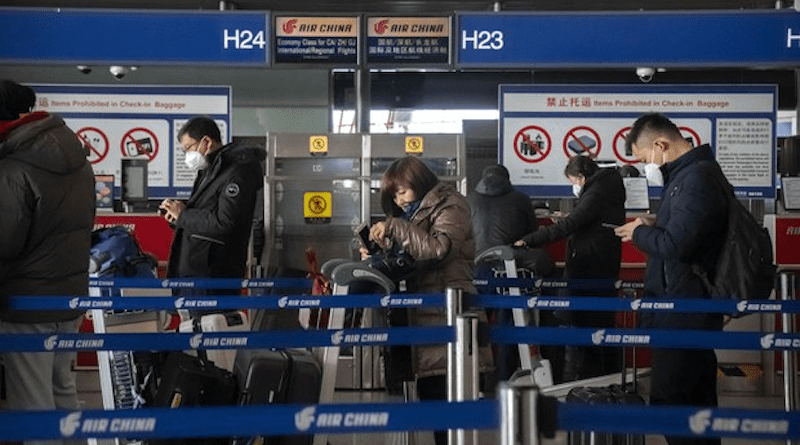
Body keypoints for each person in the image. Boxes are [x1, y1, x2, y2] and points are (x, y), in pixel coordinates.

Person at [364, 156, 492, 445]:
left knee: (449, 406)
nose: (398, 200)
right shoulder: (413, 213)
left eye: (402, 191)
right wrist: (380, 248)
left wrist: (396, 227)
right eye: (393, 195)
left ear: (419, 182)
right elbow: (410, 258)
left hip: (449, 312)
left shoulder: (453, 205)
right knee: (433, 401)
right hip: (423, 314)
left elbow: (438, 250)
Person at [614, 113, 725, 445]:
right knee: (696, 401)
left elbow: (676, 245)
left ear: (660, 145)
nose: (646, 166)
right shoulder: (689, 176)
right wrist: (654, 223)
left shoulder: (696, 178)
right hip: (683, 302)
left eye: (644, 158)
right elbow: (683, 233)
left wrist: (638, 234)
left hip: (684, 307)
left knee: (670, 398)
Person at [0, 80, 95, 445]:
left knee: (33, 405)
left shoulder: (14, 165)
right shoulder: (76, 158)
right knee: (62, 393)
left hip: (27, 303)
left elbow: (5, 242)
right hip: (69, 297)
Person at [514, 154, 625, 383]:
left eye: (573, 181)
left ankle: (591, 383)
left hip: (591, 267)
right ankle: (606, 380)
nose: (573, 186)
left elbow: (570, 225)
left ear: (582, 177)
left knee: (588, 327)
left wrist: (529, 240)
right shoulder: (605, 187)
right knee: (600, 324)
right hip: (602, 263)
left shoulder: (596, 192)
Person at [159, 116, 265, 316]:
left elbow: (226, 222)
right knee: (195, 334)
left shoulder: (236, 173)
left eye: (189, 147)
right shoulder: (211, 171)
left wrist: (184, 215)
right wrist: (179, 217)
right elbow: (204, 215)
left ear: (206, 142)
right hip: (198, 272)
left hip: (214, 275)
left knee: (210, 337)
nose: (187, 155)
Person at [468, 164, 554, 380]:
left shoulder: (469, 200)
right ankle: (504, 379)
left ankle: (475, 379)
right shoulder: (521, 199)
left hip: (479, 269)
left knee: (477, 325)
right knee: (508, 325)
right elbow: (532, 235)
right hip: (510, 269)